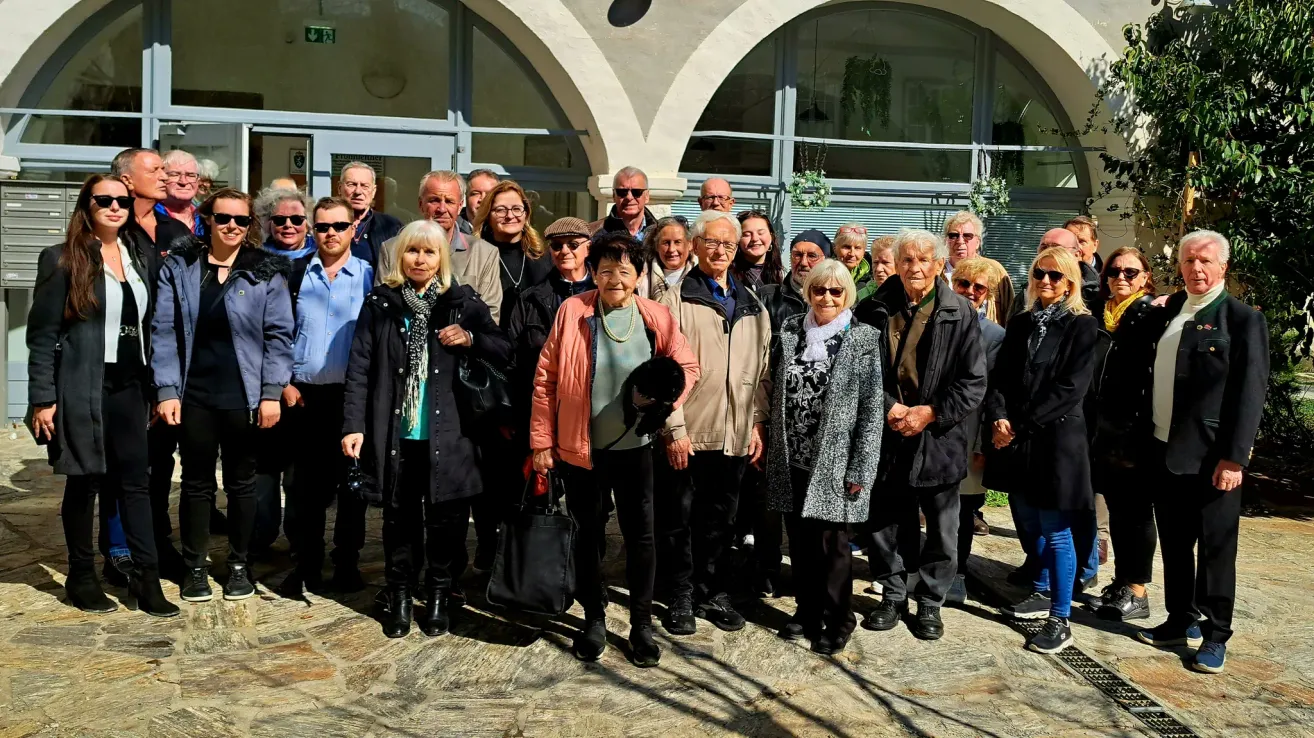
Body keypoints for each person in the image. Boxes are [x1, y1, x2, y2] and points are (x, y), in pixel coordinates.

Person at [529, 231, 699, 666]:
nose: (614, 280)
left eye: (624, 271)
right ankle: (594, 617)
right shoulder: (573, 311)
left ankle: (641, 624)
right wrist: (542, 441)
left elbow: (687, 367)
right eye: (605, 270)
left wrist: (664, 403)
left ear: (639, 275)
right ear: (593, 272)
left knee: (641, 537)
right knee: (588, 535)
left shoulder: (656, 316)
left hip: (637, 449)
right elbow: (546, 379)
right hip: (581, 449)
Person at [343, 220, 510, 638]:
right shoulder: (381, 304)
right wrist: (353, 426)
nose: (420, 259)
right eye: (412, 251)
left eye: (429, 252)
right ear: (400, 256)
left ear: (441, 259)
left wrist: (470, 338)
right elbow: (360, 369)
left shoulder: (461, 302)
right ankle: (400, 595)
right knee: (399, 521)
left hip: (450, 435)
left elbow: (504, 349)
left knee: (446, 524)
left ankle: (438, 595)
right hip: (395, 434)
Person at [27, 175, 179, 618]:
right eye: (104, 200)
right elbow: (42, 335)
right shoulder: (61, 258)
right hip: (83, 384)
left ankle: (146, 580)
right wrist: (42, 398)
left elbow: (152, 325)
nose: (115, 207)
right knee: (85, 480)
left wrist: (159, 388)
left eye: (122, 201)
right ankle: (81, 575)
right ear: (87, 205)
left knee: (135, 482)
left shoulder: (138, 255)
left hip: (131, 386)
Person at [151, 189, 295, 603]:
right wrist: (166, 389)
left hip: (244, 396)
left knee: (241, 483)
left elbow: (279, 335)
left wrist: (271, 393)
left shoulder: (264, 272)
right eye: (223, 218)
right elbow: (163, 331)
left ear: (250, 226)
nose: (232, 226)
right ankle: (195, 567)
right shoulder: (180, 267)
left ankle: (238, 565)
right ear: (207, 220)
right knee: (196, 483)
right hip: (193, 394)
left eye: (241, 220)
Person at [1135, 230, 1268, 675]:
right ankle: (1179, 619)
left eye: (1206, 261)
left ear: (1223, 266)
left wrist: (1236, 457)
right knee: (1175, 543)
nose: (1196, 268)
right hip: (1164, 449)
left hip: (1213, 458)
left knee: (1215, 549)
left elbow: (1250, 393)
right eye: (1189, 260)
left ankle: (1215, 635)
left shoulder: (1242, 319)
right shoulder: (1171, 310)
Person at [855, 228, 986, 641]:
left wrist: (930, 413)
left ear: (938, 264)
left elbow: (973, 381)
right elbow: (856, 370)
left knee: (943, 528)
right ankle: (892, 595)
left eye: (923, 259)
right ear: (895, 263)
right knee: (884, 522)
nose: (915, 267)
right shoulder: (872, 308)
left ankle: (930, 602)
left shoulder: (959, 311)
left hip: (938, 437)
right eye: (907, 259)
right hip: (886, 430)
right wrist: (888, 406)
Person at [656, 210, 771, 634]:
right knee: (679, 520)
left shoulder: (753, 305)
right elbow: (663, 372)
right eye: (711, 242)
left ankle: (713, 592)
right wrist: (674, 429)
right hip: (689, 433)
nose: (720, 250)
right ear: (695, 246)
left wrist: (756, 423)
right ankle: (680, 594)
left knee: (721, 521)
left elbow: (762, 374)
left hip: (735, 435)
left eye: (728, 244)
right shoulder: (674, 302)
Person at [765, 259, 883, 655]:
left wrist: (861, 467)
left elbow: (871, 409)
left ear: (847, 294)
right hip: (793, 458)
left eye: (836, 291)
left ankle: (840, 618)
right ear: (808, 292)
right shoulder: (791, 331)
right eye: (819, 290)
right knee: (800, 542)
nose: (827, 297)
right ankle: (807, 610)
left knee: (832, 547)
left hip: (834, 463)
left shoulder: (862, 338)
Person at [985, 246, 1098, 654]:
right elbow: (1000, 378)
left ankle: (1060, 618)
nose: (1045, 281)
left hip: (1057, 441)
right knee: (1029, 523)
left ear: (1070, 283)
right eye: (1039, 273)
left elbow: (1070, 389)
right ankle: (1040, 589)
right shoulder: (1021, 323)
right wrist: (998, 416)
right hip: (1019, 440)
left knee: (1056, 530)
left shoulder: (1082, 326)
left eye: (1055, 275)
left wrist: (1017, 424)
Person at [276, 197, 374, 596]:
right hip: (303, 398)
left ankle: (347, 563)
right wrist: (283, 383)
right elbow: (276, 332)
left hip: (351, 399)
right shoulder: (295, 274)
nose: (330, 233)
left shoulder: (370, 276)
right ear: (312, 230)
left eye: (338, 226)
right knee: (305, 490)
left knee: (352, 487)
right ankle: (307, 564)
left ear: (354, 229)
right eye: (322, 226)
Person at [111, 147, 195, 580]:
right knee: (123, 461)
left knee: (160, 460)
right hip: (122, 363)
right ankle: (118, 548)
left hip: (166, 363)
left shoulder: (174, 230)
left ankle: (158, 541)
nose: (166, 176)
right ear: (127, 180)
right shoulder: (111, 228)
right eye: (156, 169)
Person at [469, 179, 553, 568]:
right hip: (488, 370)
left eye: (516, 208)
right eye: (500, 209)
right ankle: (488, 544)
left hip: (532, 375)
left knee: (527, 465)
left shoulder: (541, 256)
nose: (509, 215)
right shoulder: (476, 253)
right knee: (490, 466)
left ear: (527, 213)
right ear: (487, 214)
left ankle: (522, 549)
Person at [1085, 247, 1159, 622]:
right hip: (1104, 431)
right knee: (1117, 510)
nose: (1121, 278)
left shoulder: (1152, 315)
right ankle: (1120, 584)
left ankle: (1138, 591)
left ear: (1145, 277)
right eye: (1114, 271)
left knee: (1137, 513)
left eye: (1131, 272)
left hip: (1136, 431)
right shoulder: (1102, 314)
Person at [943, 257, 1009, 604]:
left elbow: (992, 392)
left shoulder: (995, 335)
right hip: (934, 430)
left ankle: (958, 572)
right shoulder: (935, 321)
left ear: (988, 293)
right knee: (935, 506)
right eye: (963, 284)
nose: (969, 291)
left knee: (965, 508)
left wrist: (984, 444)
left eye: (978, 287)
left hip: (970, 434)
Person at [378, 171, 503, 322]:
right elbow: (380, 311)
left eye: (449, 201)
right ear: (420, 204)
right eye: (434, 200)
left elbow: (490, 316)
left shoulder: (484, 253)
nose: (442, 209)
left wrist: (466, 333)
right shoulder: (391, 249)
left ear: (460, 206)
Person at [506, 217, 594, 420]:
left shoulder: (604, 295)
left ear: (588, 248)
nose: (564, 251)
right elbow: (512, 359)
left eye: (573, 244)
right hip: (541, 406)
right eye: (556, 245)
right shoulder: (529, 299)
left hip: (592, 407)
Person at [339, 161, 403, 266]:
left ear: (373, 191)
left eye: (364, 186)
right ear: (339, 188)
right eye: (351, 184)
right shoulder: (325, 224)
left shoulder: (392, 227)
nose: (358, 191)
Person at [588, 166, 658, 239]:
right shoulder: (592, 234)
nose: (629, 197)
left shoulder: (660, 233)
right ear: (614, 195)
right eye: (622, 192)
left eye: (636, 192)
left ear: (647, 196)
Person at [638, 216, 696, 300]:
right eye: (666, 243)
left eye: (677, 242)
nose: (671, 249)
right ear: (657, 246)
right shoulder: (642, 278)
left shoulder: (701, 276)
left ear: (690, 245)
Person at [256, 186, 315, 259]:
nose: (288, 224)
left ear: (308, 225)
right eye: (279, 219)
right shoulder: (256, 258)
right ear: (268, 224)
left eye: (296, 219)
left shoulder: (321, 256)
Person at [733, 210, 784, 289]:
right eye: (747, 234)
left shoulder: (780, 273)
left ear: (771, 236)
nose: (755, 239)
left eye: (761, 233)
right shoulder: (729, 275)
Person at [159, 150, 203, 235]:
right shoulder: (151, 215)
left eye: (190, 175)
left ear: (198, 181)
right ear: (161, 178)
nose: (183, 182)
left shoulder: (205, 215)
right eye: (174, 174)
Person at [833, 223, 875, 301]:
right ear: (835, 248)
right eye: (846, 247)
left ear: (864, 251)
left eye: (857, 248)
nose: (852, 254)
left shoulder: (874, 278)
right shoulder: (823, 275)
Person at [942, 211, 982, 279]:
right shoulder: (934, 271)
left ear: (978, 242)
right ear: (946, 241)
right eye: (954, 235)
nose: (960, 241)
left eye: (967, 236)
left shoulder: (993, 270)